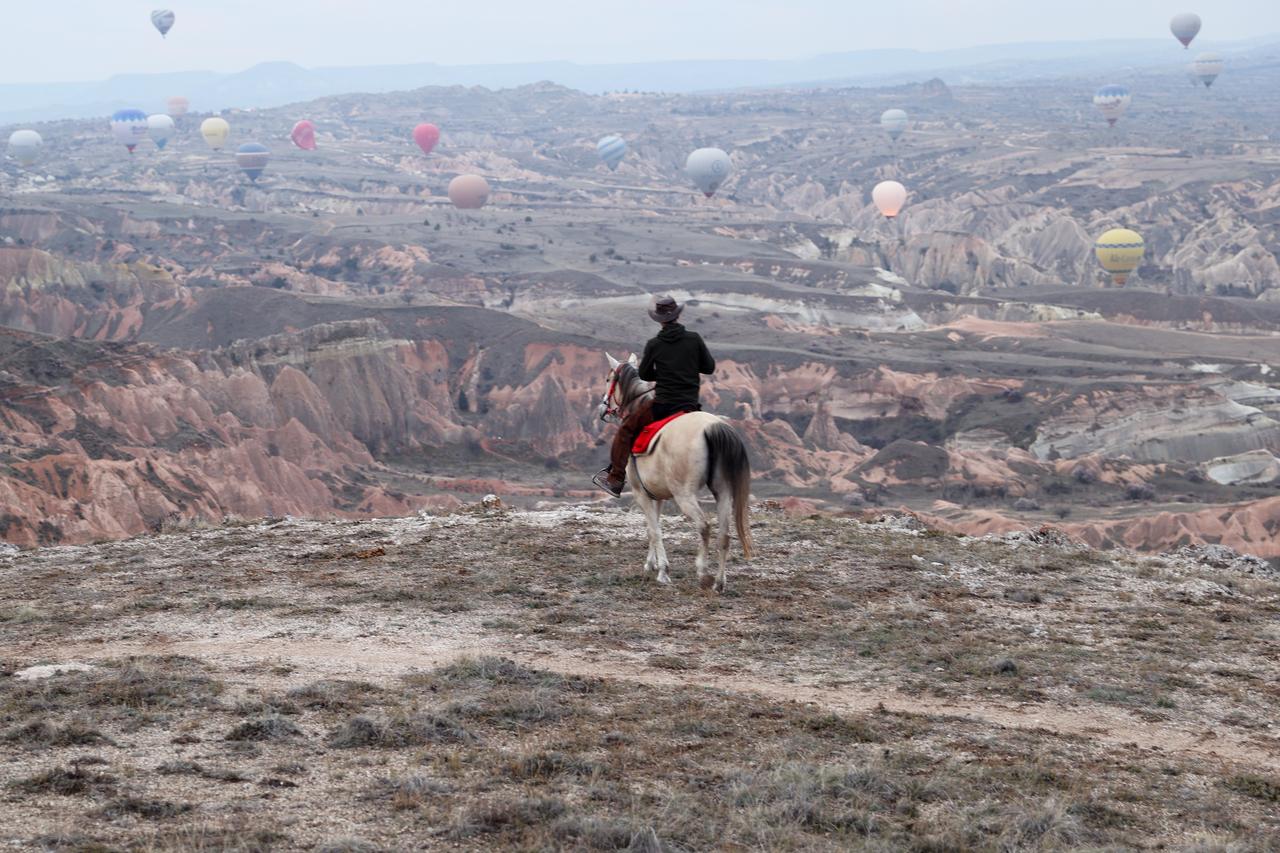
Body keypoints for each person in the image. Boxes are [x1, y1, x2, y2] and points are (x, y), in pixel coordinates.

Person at [595, 296, 716, 497]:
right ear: (678, 315)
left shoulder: (655, 344)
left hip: (663, 405)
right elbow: (709, 367)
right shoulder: (694, 339)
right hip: (691, 404)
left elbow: (643, 374)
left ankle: (615, 479)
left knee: (625, 430)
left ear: (659, 319)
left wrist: (664, 373)